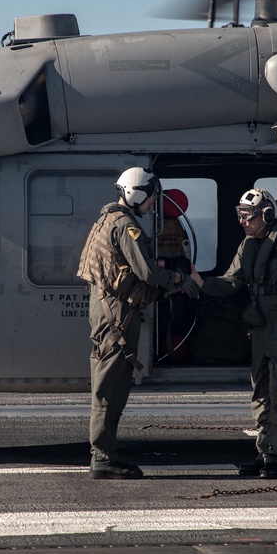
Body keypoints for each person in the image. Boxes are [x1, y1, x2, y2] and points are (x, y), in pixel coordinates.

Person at [76, 167, 199, 479]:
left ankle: (105, 454)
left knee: (111, 381)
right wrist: (180, 279)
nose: (153, 204)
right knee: (110, 385)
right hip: (117, 314)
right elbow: (147, 273)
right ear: (137, 194)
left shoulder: (107, 220)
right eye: (151, 197)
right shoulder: (125, 225)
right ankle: (103, 458)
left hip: (109, 310)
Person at [191, 188, 277, 478]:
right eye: (240, 216)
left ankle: (276, 457)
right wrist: (200, 283)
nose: (242, 222)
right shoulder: (248, 246)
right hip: (261, 330)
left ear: (267, 215)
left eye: (247, 216)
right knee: (260, 394)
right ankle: (265, 453)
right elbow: (231, 281)